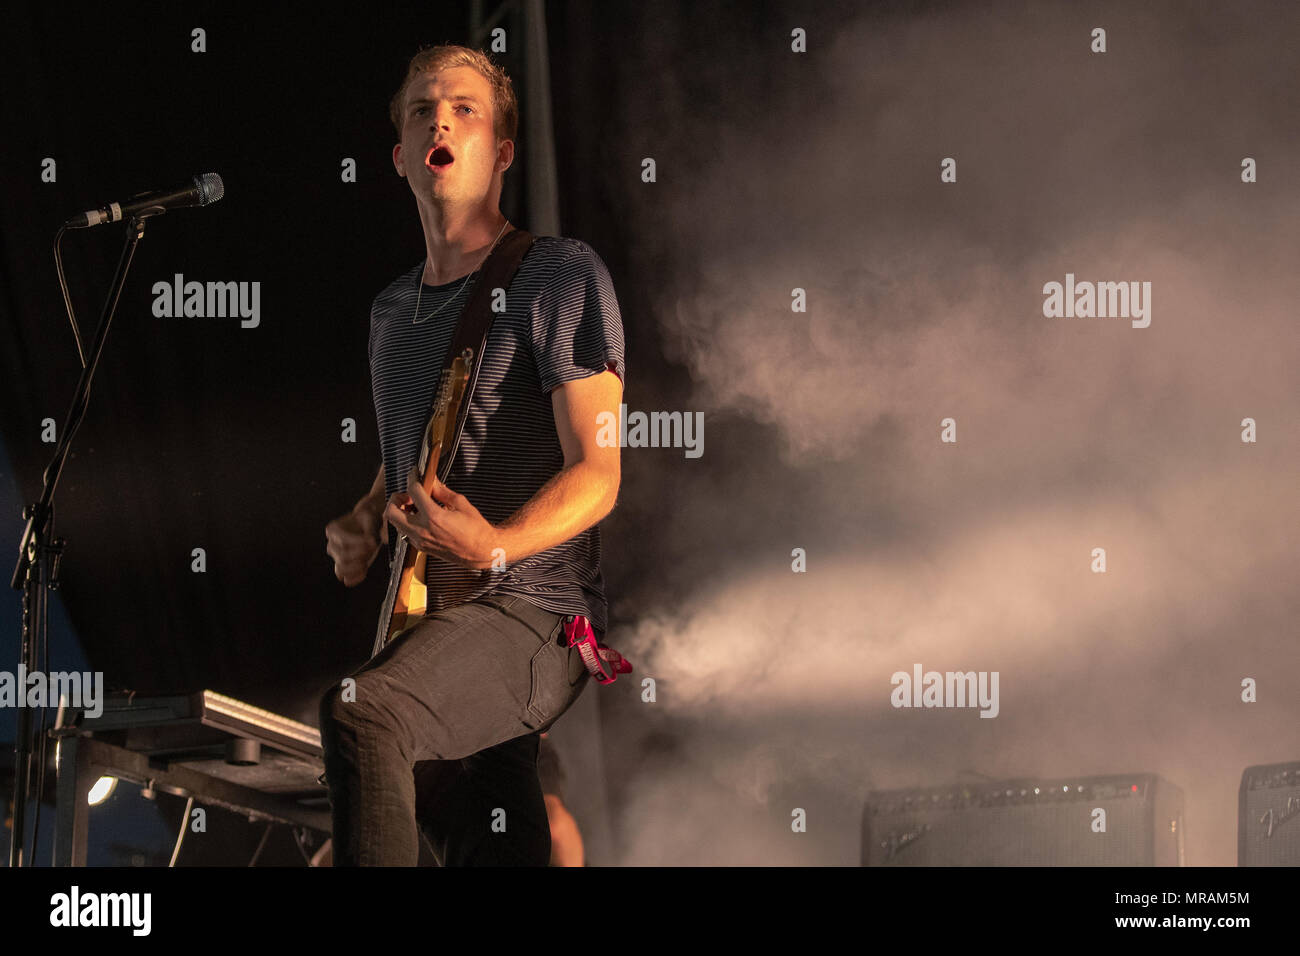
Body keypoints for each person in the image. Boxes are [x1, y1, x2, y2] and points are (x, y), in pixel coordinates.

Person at [319, 44, 625, 866]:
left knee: (364, 711)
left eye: (464, 108)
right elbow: (418, 450)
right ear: (400, 157)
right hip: (431, 625)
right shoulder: (390, 315)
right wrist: (361, 519)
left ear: (502, 151)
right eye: (422, 110)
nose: (440, 120)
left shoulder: (560, 274)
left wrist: (493, 543)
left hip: (533, 612)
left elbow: (599, 474)